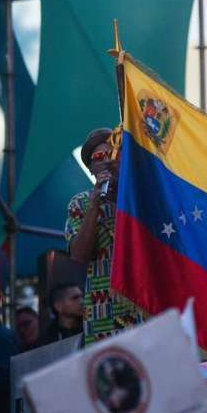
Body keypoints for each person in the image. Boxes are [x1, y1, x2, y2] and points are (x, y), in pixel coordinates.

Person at [66, 128, 146, 344]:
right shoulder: (80, 203)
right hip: (103, 316)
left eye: (114, 154)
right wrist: (95, 204)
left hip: (144, 307)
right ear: (92, 170)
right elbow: (79, 255)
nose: (109, 161)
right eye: (100, 157)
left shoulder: (142, 198)